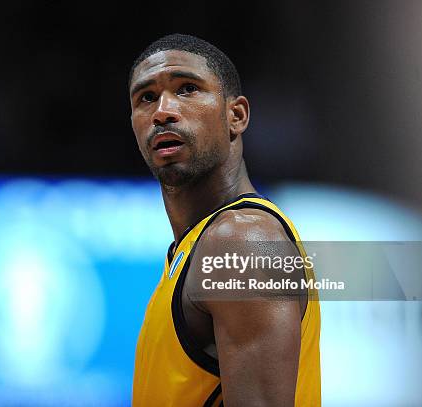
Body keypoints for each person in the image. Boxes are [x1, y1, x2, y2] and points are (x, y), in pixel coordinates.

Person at [129, 34, 321, 406]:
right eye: (146, 97)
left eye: (187, 88)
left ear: (236, 116)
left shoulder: (241, 241)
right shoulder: (194, 247)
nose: (163, 111)